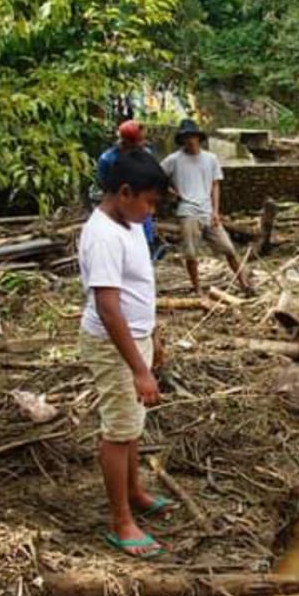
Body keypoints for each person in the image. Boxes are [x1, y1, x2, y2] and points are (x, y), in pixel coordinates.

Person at [78, 149, 177, 558]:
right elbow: (108, 305)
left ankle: (134, 491)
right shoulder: (102, 235)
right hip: (112, 344)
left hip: (135, 339)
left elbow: (139, 288)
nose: (151, 211)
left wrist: (152, 338)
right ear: (124, 192)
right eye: (149, 202)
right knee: (118, 431)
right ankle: (121, 521)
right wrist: (139, 369)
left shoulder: (131, 223)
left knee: (131, 423)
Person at [161, 118, 254, 294]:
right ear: (181, 140)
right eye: (185, 137)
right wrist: (170, 192)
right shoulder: (173, 160)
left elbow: (215, 185)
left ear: (198, 137)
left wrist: (216, 211)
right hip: (187, 211)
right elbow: (157, 176)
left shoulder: (210, 159)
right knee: (191, 253)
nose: (190, 140)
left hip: (207, 211)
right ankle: (197, 289)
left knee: (229, 248)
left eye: (192, 136)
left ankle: (244, 283)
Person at [94, 120, 157, 251]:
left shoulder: (146, 154)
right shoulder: (108, 159)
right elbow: (104, 184)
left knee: (144, 241)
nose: (142, 144)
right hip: (119, 204)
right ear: (127, 142)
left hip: (140, 201)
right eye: (138, 141)